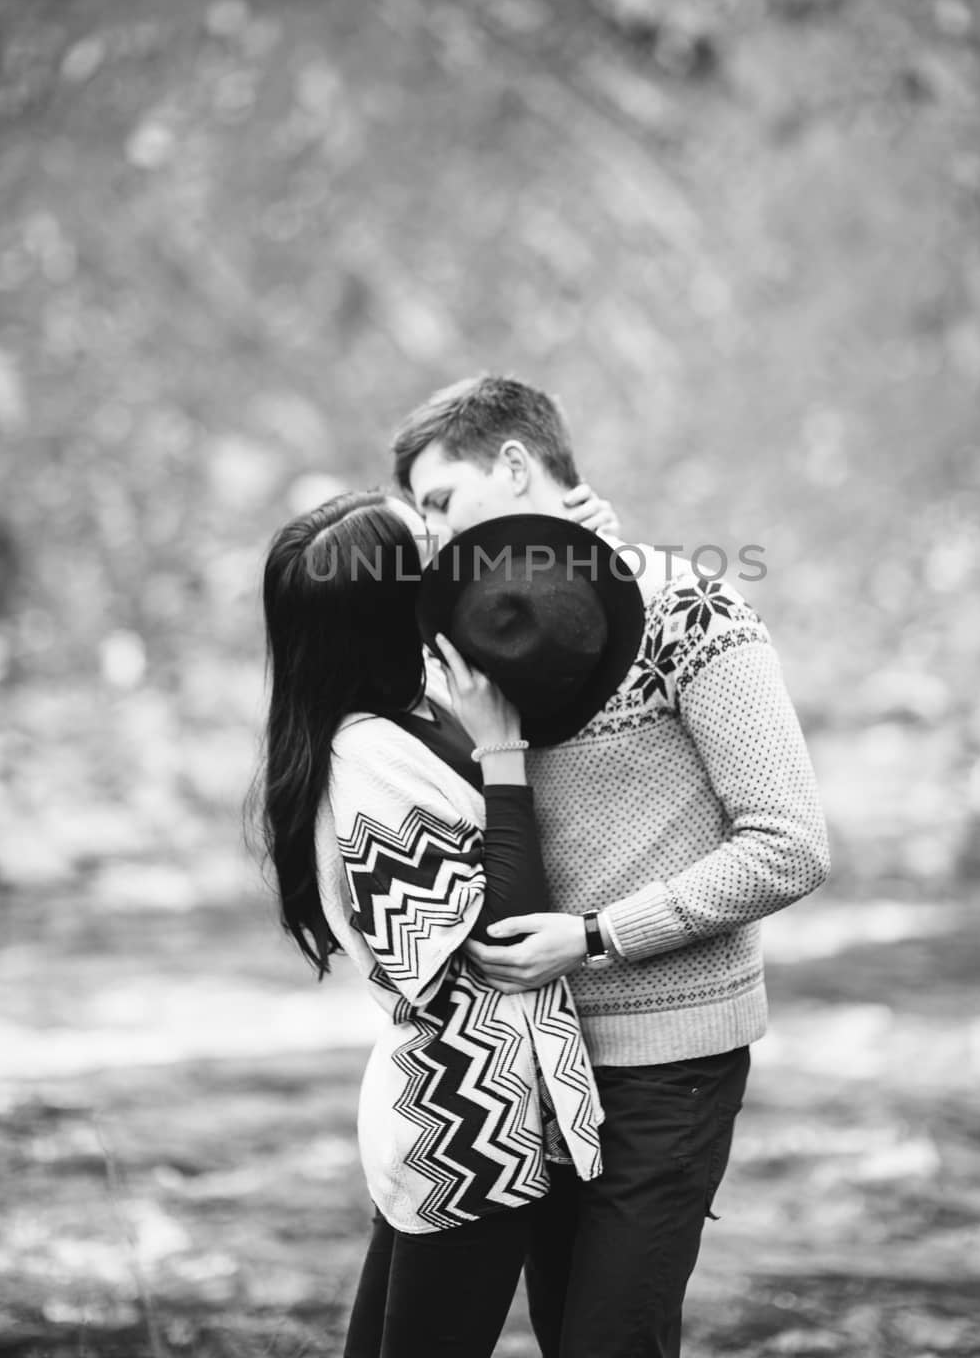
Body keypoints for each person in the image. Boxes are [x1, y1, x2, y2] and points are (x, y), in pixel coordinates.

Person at [392, 376, 831, 1358]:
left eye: (441, 503)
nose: (429, 537)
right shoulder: (470, 646)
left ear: (513, 465)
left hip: (672, 1060)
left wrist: (593, 936)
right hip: (539, 1061)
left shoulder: (690, 605)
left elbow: (790, 842)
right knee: (570, 1337)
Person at [250, 488, 635, 1358]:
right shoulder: (369, 760)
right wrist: (500, 753)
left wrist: (582, 548)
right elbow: (508, 936)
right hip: (462, 1121)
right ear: (391, 605)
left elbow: (557, 653)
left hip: (470, 1107)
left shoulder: (419, 704)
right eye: (427, 554)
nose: (450, 561)